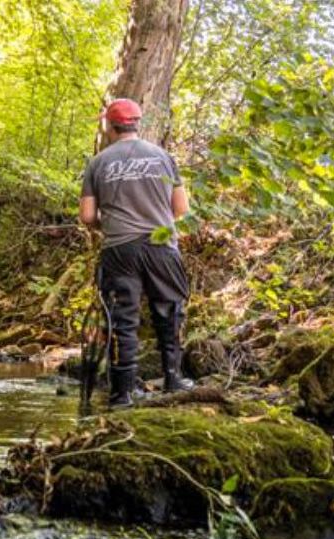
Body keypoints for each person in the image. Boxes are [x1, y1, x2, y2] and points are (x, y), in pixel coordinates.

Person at [79, 98, 194, 408]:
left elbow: (88, 217)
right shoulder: (163, 157)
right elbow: (181, 209)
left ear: (109, 125)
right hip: (161, 245)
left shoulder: (98, 163)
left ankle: (122, 394)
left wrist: (114, 222)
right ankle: (173, 379)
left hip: (119, 248)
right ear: (138, 122)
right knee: (169, 311)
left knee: (122, 319)